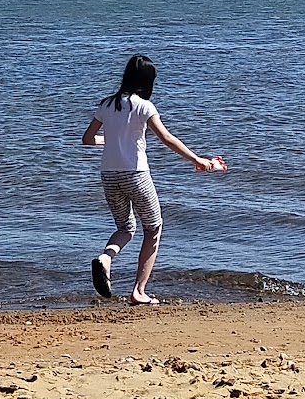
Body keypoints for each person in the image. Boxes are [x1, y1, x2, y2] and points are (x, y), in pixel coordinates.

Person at [82, 54, 218, 305]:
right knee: (153, 228)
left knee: (125, 228)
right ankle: (138, 291)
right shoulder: (144, 106)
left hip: (109, 175)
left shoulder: (107, 104)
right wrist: (197, 160)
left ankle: (105, 258)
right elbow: (166, 138)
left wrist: (111, 141)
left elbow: (88, 139)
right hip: (136, 174)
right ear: (147, 82)